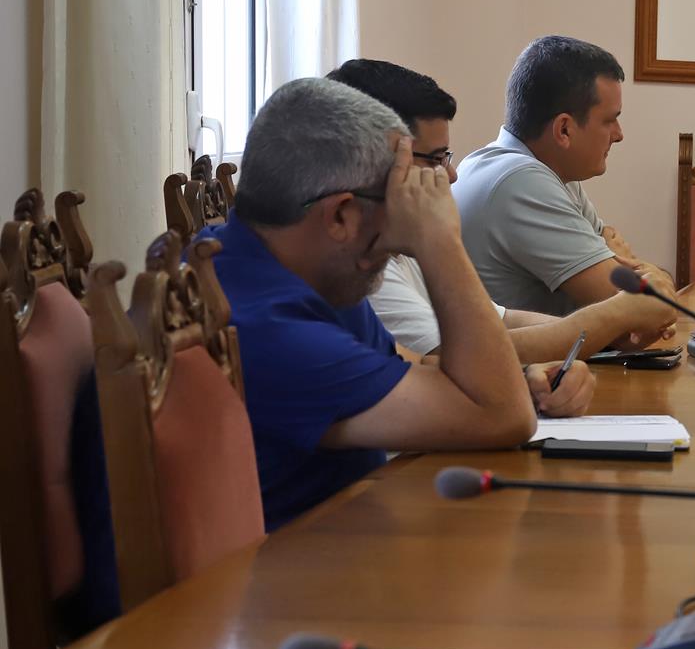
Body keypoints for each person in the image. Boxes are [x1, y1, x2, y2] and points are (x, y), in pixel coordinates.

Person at [208, 78, 537, 531]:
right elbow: (502, 416)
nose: (408, 221)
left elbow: (427, 376)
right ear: (342, 214)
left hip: (345, 546)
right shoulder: (268, 327)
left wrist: (526, 381)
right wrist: (440, 242)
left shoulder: (285, 269)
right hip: (287, 585)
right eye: (401, 200)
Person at [328, 58, 677, 366]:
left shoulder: (402, 248)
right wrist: (618, 314)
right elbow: (466, 359)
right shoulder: (361, 267)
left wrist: (606, 327)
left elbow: (503, 322)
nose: (451, 175)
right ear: (377, 165)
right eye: (435, 159)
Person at [454, 36, 676, 315]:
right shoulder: (521, 181)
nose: (619, 135)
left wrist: (645, 283)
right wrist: (658, 278)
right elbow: (642, 310)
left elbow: (630, 292)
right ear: (564, 130)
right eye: (609, 120)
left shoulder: (550, 173)